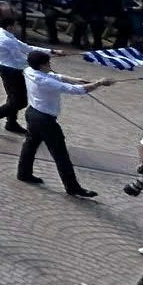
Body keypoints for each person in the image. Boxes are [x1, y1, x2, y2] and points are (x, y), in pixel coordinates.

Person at [18, 49, 111, 197]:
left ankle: (23, 173)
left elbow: (56, 76)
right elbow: (75, 90)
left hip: (32, 113)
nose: (50, 64)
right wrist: (98, 83)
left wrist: (79, 79)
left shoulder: (29, 70)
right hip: (45, 120)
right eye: (48, 63)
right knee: (60, 154)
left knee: (30, 145)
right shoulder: (45, 82)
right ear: (42, 65)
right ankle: (72, 187)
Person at [0, 13, 57, 135]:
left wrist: (51, 52)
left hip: (8, 68)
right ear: (10, 26)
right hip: (11, 70)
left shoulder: (3, 34)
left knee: (13, 97)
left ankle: (11, 123)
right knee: (20, 101)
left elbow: (27, 48)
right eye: (16, 25)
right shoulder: (7, 40)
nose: (18, 27)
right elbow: (20, 58)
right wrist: (39, 65)